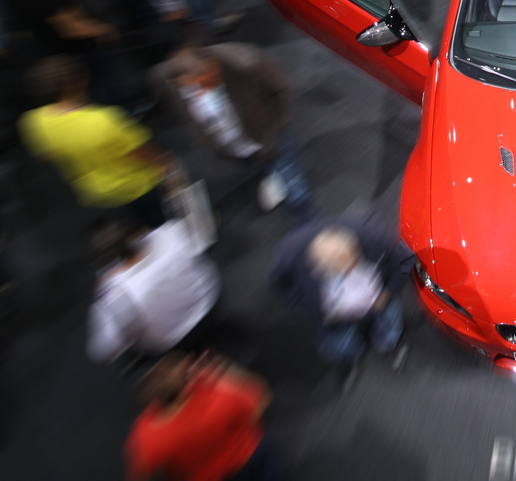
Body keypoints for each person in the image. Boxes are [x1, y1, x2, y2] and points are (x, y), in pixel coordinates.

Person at [149, 43, 312, 216]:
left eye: (205, 83)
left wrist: (276, 126)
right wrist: (199, 133)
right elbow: (163, 87)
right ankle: (272, 173)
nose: (200, 92)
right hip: (235, 146)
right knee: (260, 164)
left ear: (211, 67)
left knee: (293, 184)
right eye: (193, 87)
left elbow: (280, 87)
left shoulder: (245, 63)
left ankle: (309, 221)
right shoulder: (167, 78)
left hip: (268, 134)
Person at [19, 54, 178, 228]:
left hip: (95, 192)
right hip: (137, 187)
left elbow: (46, 155)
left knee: (135, 230)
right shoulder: (103, 120)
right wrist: (166, 165)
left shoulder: (31, 121)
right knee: (162, 227)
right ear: (80, 81)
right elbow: (141, 154)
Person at [267, 218, 409, 372]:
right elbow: (278, 283)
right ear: (316, 266)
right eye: (341, 272)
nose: (349, 274)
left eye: (352, 265)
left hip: (376, 299)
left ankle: (387, 343)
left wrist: (388, 292)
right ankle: (352, 357)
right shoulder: (289, 253)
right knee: (337, 343)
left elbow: (405, 260)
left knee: (388, 319)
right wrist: (302, 304)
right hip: (332, 314)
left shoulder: (374, 235)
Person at [125, 352, 286, 481]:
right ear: (186, 385)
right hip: (250, 453)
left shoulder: (147, 435)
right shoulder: (219, 398)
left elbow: (141, 473)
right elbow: (261, 398)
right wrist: (226, 371)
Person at [86, 216, 220, 364]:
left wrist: (103, 291)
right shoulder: (169, 233)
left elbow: (103, 350)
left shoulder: (114, 296)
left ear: (100, 261)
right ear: (127, 232)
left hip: (176, 345)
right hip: (211, 305)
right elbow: (204, 233)